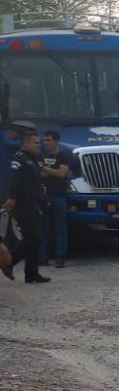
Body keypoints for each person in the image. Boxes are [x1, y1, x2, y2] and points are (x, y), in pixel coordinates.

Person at [2, 121, 49, 283]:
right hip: (23, 203)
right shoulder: (20, 158)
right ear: (27, 143)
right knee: (31, 237)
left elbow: (35, 180)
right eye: (36, 143)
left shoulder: (32, 159)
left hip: (33, 201)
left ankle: (32, 273)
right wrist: (12, 197)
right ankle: (9, 262)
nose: (39, 145)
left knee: (35, 238)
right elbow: (14, 180)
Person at [39, 130, 71, 267]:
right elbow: (40, 174)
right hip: (44, 196)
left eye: (49, 140)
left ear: (56, 141)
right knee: (43, 227)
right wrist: (53, 171)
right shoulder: (40, 155)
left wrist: (44, 168)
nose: (46, 143)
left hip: (59, 196)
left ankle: (60, 257)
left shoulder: (63, 156)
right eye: (45, 140)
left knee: (60, 228)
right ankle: (43, 256)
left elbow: (61, 174)